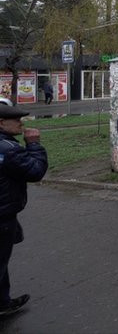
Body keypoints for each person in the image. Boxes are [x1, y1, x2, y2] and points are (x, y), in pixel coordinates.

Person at [0, 103, 47, 316]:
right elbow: (35, 171)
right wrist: (34, 144)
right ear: (1, 123)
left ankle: (3, 301)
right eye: (16, 119)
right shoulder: (9, 150)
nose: (21, 123)